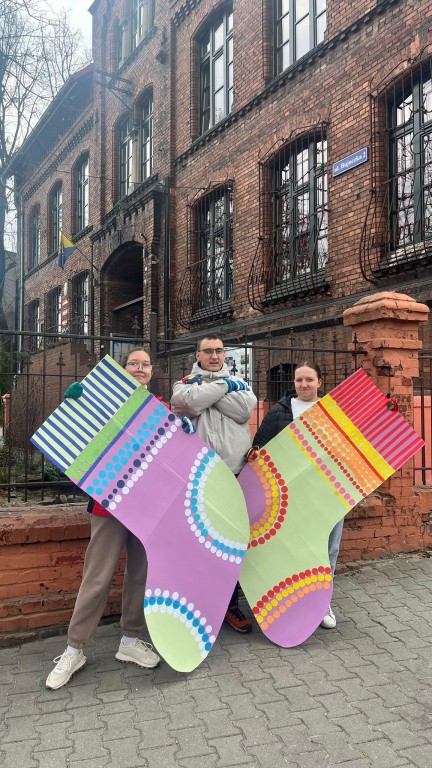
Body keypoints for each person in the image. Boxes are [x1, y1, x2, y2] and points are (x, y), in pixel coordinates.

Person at [46, 348, 161, 690]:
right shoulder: (103, 401)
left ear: (152, 372)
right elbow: (74, 435)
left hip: (145, 507)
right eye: (133, 363)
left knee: (139, 575)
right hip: (108, 505)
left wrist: (183, 432)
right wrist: (73, 405)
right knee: (96, 578)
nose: (139, 368)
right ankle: (74, 649)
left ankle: (130, 640)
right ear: (123, 369)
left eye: (145, 364)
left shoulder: (159, 408)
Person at [171, 334, 257, 633]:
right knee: (201, 544)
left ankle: (230, 606)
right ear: (198, 354)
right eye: (208, 351)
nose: (215, 356)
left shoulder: (241, 383)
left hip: (234, 474)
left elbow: (243, 410)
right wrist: (223, 386)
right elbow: (189, 403)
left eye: (219, 351)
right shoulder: (184, 384)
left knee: (229, 544)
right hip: (200, 477)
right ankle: (202, 605)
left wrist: (208, 391)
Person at [251, 361, 344, 630]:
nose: (304, 384)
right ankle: (293, 602)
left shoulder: (333, 412)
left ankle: (322, 601)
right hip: (291, 495)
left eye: (309, 380)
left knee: (328, 548)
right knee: (296, 548)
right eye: (299, 380)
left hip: (329, 491)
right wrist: (257, 454)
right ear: (293, 383)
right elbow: (260, 445)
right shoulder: (279, 412)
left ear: (319, 382)